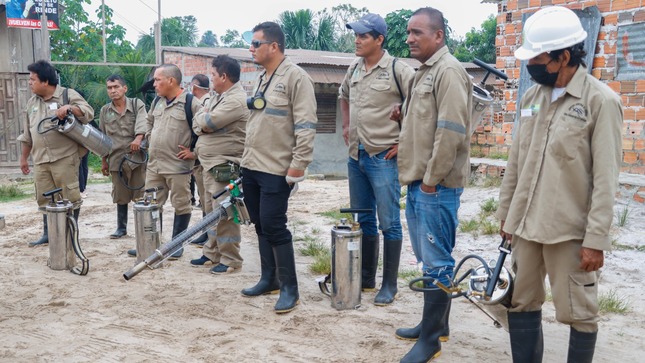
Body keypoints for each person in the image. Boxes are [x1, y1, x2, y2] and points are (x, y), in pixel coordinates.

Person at [496, 7, 623, 363]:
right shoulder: (531, 98)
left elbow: (605, 178)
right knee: (521, 301)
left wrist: (596, 240)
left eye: (537, 58)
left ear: (563, 56)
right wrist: (506, 216)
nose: (530, 66)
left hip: (569, 232)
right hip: (525, 227)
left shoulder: (601, 102)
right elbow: (516, 162)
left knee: (579, 313)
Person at [393, 8, 473, 362]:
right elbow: (425, 123)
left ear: (438, 36)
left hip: (435, 186)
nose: (410, 38)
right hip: (419, 182)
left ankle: (430, 342)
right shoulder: (423, 73)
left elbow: (450, 132)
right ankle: (436, 326)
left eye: (418, 33)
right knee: (430, 259)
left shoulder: (449, 72)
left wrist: (430, 181)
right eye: (409, 32)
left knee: (437, 262)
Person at [240, 21, 317, 314]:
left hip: (276, 167)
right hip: (253, 164)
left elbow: (306, 126)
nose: (251, 49)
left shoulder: (297, 78)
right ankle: (269, 278)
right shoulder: (263, 77)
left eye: (255, 43)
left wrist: (299, 166)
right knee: (259, 223)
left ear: (273, 46)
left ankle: (290, 288)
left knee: (274, 224)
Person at [339, 13, 414, 306]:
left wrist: (405, 141)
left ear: (379, 40)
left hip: (383, 156)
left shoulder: (398, 69)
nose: (357, 41)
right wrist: (345, 125)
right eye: (355, 35)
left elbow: (422, 106)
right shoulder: (354, 68)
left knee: (389, 222)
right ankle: (367, 278)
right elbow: (343, 95)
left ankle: (390, 285)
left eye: (363, 36)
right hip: (356, 156)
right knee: (364, 219)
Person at [128, 64, 201, 259]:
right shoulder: (157, 102)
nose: (154, 84)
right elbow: (149, 121)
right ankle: (151, 243)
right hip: (155, 165)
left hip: (177, 166)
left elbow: (204, 131)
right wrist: (151, 138)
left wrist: (194, 153)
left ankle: (177, 245)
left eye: (158, 79)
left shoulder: (191, 103)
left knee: (181, 204)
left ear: (171, 81)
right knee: (151, 203)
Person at [18, 60, 94, 246]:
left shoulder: (67, 94)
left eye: (33, 79)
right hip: (41, 159)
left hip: (65, 157)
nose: (30, 82)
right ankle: (49, 234)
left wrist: (70, 108)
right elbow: (28, 133)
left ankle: (71, 234)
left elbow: (88, 112)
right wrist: (23, 158)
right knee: (45, 198)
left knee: (70, 197)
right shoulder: (31, 103)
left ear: (45, 81)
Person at [188, 56, 248, 274]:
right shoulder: (219, 97)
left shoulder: (236, 100)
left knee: (225, 212)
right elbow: (199, 121)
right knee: (210, 212)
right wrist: (202, 122)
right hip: (209, 164)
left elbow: (208, 122)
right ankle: (212, 254)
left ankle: (231, 259)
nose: (210, 78)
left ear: (224, 76)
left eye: (213, 74)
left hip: (224, 165)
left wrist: (203, 121)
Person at [99, 74, 148, 239]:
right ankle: (121, 228)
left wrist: (139, 137)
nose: (113, 91)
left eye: (116, 87)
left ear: (124, 88)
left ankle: (142, 227)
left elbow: (144, 122)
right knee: (120, 195)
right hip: (116, 159)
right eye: (109, 88)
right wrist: (104, 161)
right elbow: (103, 137)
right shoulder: (105, 111)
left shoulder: (136, 104)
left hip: (135, 158)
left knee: (140, 195)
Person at [188, 73, 212, 246]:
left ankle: (208, 234)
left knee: (206, 199)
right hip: (200, 158)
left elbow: (201, 131)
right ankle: (207, 233)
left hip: (204, 159)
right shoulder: (206, 102)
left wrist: (194, 153)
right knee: (204, 198)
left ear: (194, 87)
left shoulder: (205, 103)